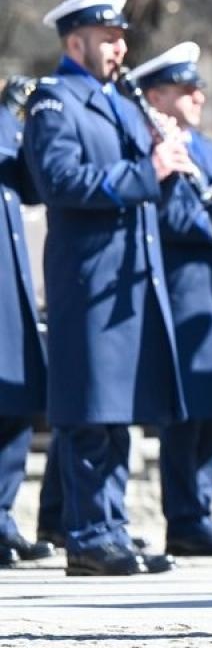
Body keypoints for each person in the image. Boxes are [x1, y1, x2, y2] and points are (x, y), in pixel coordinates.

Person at [22, 0, 188, 576]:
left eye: (120, 39)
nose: (118, 49)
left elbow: (144, 182)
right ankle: (89, 536)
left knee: (118, 416)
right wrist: (146, 171)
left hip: (130, 279)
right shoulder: (53, 100)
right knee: (91, 415)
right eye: (107, 39)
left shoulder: (120, 101)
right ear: (75, 40)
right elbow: (60, 182)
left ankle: (110, 525)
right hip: (90, 281)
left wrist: (169, 167)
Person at [130, 42, 212, 557]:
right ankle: (184, 518)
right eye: (187, 89)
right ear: (157, 96)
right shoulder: (151, 146)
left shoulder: (205, 147)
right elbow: (163, 217)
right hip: (183, 290)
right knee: (185, 415)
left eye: (198, 87)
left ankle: (201, 511)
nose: (198, 95)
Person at [0, 76, 51, 568]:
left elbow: (34, 186)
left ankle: (1, 520)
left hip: (10, 281)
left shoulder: (6, 121)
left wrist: (27, 121)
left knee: (14, 402)